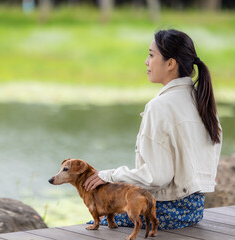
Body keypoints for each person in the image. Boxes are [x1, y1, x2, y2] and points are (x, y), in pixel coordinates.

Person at [84, 29, 222, 230]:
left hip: (164, 210)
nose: (146, 62)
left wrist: (109, 175)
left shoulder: (160, 106)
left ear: (170, 63)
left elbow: (156, 177)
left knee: (98, 221)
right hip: (194, 211)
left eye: (151, 55)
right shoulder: (202, 101)